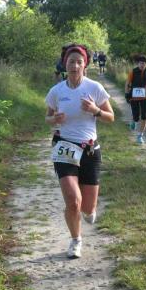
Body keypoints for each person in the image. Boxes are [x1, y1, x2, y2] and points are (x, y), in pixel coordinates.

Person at [45, 44, 115, 259]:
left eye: (79, 62)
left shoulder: (94, 87)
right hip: (65, 147)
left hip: (89, 150)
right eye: (71, 61)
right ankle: (76, 240)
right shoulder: (57, 91)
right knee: (72, 200)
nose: (75, 66)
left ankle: (90, 210)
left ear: (85, 65)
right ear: (64, 64)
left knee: (87, 208)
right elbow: (47, 117)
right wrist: (54, 119)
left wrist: (95, 110)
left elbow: (111, 117)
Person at [124, 55, 146, 144]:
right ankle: (134, 120)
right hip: (134, 96)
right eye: (140, 63)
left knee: (144, 116)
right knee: (136, 116)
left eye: (143, 63)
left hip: (145, 97)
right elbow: (127, 83)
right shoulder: (133, 71)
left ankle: (140, 135)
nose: (142, 65)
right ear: (138, 64)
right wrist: (126, 94)